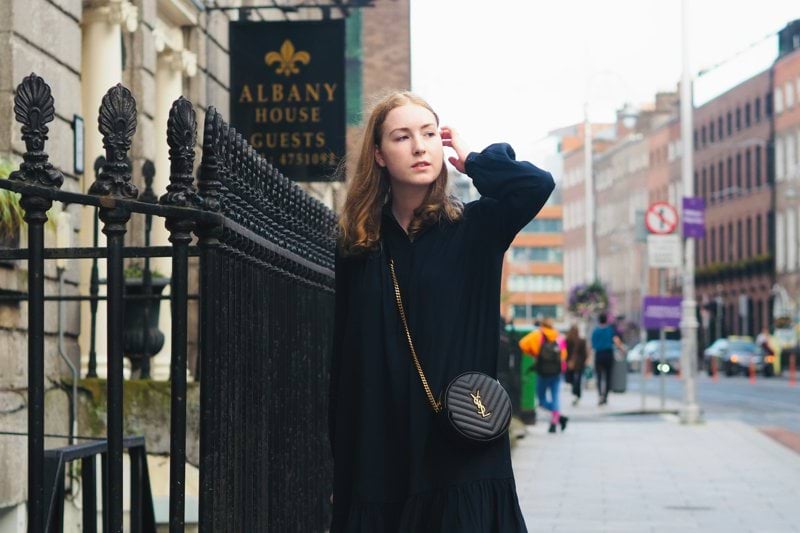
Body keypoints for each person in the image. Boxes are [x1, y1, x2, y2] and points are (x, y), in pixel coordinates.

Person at [329, 91, 554, 532]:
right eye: (402, 136)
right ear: (378, 155)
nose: (419, 147)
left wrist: (472, 161)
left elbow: (535, 185)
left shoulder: (475, 229)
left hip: (461, 443)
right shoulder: (358, 246)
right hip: (383, 452)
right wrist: (342, 465)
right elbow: (344, 363)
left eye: (429, 134)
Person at [518, 317, 568, 433]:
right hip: (556, 372)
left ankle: (557, 417)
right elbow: (564, 356)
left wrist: (534, 354)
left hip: (542, 371)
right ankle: (556, 418)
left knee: (541, 400)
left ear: (542, 325)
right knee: (555, 396)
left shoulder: (537, 335)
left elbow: (522, 344)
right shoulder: (559, 336)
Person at [590, 312, 625, 406]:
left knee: (599, 376)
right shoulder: (610, 330)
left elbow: (591, 345)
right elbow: (616, 340)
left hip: (599, 354)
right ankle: (605, 396)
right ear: (606, 320)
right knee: (608, 376)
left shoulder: (596, 331)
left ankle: (600, 395)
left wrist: (589, 357)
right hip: (608, 354)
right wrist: (622, 349)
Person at [565, 325, 588, 406]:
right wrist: (584, 361)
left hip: (570, 363)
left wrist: (567, 361)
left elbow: (565, 353)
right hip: (579, 364)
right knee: (577, 380)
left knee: (572, 379)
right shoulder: (581, 340)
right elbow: (585, 353)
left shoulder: (567, 340)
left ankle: (575, 393)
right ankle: (577, 394)